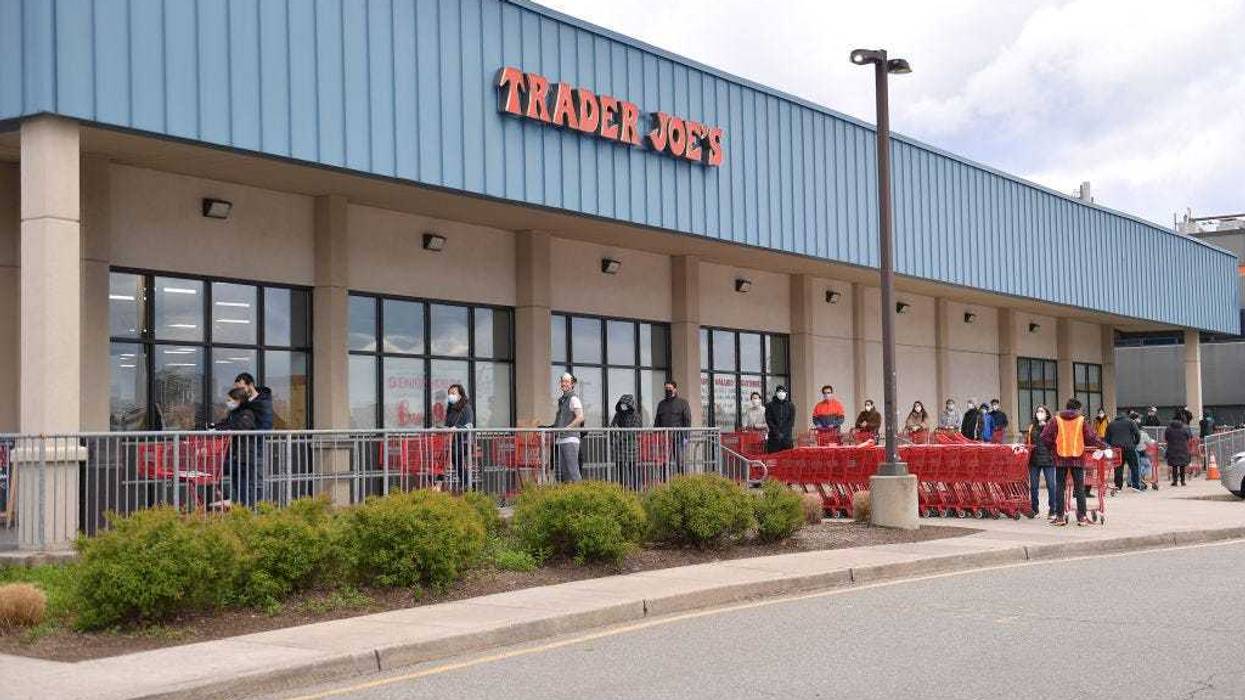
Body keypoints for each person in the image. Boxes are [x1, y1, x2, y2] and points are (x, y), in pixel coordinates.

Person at [1042, 398, 1107, 526]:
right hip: (1077, 457)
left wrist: (1052, 448)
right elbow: (1091, 437)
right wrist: (1103, 445)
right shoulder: (1081, 420)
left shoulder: (1056, 420)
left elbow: (1044, 436)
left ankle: (1060, 517)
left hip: (1060, 457)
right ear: (1077, 409)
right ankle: (1082, 517)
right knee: (1079, 488)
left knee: (1060, 487)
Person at [218, 387, 259, 508]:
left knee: (242, 487)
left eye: (230, 400)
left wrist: (227, 429)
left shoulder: (247, 413)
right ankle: (236, 504)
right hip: (234, 457)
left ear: (238, 400)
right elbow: (225, 424)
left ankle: (241, 507)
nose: (227, 402)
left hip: (243, 458)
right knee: (237, 484)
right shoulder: (233, 414)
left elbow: (240, 428)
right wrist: (215, 427)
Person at [654, 380, 692, 474]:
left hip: (678, 438)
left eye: (669, 389)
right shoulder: (661, 404)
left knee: (680, 462)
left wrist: (686, 438)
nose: (667, 390)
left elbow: (687, 420)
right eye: (666, 389)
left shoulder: (683, 403)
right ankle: (664, 483)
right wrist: (655, 436)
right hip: (664, 439)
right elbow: (657, 421)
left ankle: (682, 482)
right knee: (663, 463)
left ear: (675, 389)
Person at [552, 373, 584, 482]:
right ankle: (567, 497)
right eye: (562, 381)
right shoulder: (562, 400)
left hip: (570, 439)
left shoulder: (573, 399)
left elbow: (580, 417)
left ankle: (581, 497)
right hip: (561, 440)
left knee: (573, 472)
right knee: (563, 474)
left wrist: (567, 428)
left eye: (567, 381)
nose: (564, 384)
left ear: (572, 384)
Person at [1025, 405, 1056, 520]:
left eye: (1042, 411)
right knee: (1033, 486)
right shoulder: (1032, 426)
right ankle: (1034, 509)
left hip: (1048, 459)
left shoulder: (1051, 426)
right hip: (1034, 459)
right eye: (1038, 411)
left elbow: (1054, 440)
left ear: (1047, 414)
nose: (1039, 413)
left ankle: (1053, 509)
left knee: (1051, 485)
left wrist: (1045, 428)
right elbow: (1028, 440)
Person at [443, 384, 474, 491]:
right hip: (452, 442)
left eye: (453, 393)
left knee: (453, 457)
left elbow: (469, 426)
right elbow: (448, 425)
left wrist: (457, 428)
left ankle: (466, 484)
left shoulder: (466, 408)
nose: (451, 396)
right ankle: (466, 484)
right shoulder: (451, 409)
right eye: (449, 394)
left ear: (460, 395)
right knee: (442, 457)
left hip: (464, 442)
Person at [609, 394, 643, 489]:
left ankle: (636, 488)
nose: (623, 405)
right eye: (622, 403)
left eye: (625, 403)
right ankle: (622, 487)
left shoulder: (635, 415)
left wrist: (621, 436)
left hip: (631, 445)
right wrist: (613, 432)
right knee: (619, 467)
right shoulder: (618, 414)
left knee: (632, 467)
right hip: (619, 446)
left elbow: (634, 430)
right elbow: (613, 426)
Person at [1104, 409, 1142, 492]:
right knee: (1134, 467)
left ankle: (1118, 486)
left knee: (1118, 467)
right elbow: (1137, 434)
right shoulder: (1130, 422)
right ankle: (1136, 486)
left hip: (1116, 449)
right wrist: (1135, 443)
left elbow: (1106, 438)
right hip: (1129, 447)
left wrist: (1112, 445)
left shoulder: (1111, 424)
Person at [764, 386, 795, 453]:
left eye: (783, 391)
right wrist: (777, 432)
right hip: (773, 437)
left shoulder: (790, 405)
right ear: (776, 393)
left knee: (787, 459)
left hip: (787, 438)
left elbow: (791, 421)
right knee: (773, 460)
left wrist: (783, 433)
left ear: (786, 393)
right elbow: (769, 420)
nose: (781, 393)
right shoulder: (769, 405)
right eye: (779, 391)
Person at [1164, 416, 1193, 486]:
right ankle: (1183, 481)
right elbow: (1188, 436)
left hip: (1172, 449)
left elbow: (1166, 438)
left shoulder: (1168, 429)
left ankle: (1175, 481)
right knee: (1182, 465)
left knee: (1174, 466)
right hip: (1183, 449)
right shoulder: (1184, 428)